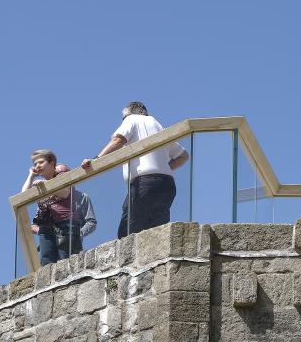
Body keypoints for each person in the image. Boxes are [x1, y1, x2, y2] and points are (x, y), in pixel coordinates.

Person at [82, 101, 189, 238]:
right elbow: (183, 156)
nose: (123, 121)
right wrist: (163, 167)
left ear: (131, 113)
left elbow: (118, 140)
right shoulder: (159, 127)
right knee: (157, 231)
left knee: (128, 232)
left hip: (144, 184)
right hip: (167, 184)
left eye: (123, 118)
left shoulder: (132, 119)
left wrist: (97, 159)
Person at [38, 162, 97, 262]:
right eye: (57, 174)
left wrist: (78, 233)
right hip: (52, 248)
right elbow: (34, 225)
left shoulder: (82, 197)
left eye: (63, 172)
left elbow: (91, 222)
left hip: (71, 244)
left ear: (70, 174)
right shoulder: (47, 199)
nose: (60, 175)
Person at [20, 149, 58, 266]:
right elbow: (23, 196)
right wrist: (31, 176)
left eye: (41, 162)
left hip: (63, 226)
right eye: (35, 164)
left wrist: (44, 186)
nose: (37, 166)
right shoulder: (38, 183)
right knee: (47, 262)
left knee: (65, 257)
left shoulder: (61, 176)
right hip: (46, 229)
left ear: (52, 163)